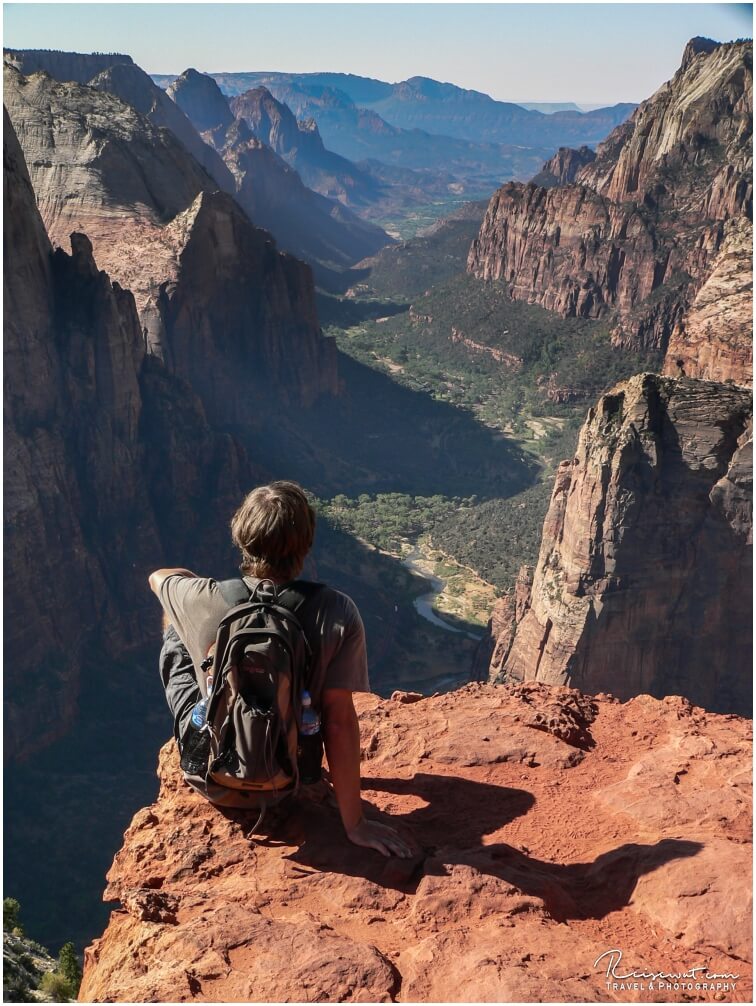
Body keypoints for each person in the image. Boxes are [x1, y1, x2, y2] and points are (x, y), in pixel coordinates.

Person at [149, 480, 413, 858]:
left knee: (176, 625)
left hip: (208, 773)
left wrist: (189, 585)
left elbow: (158, 579)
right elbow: (339, 721)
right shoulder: (338, 611)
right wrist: (355, 824)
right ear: (306, 543)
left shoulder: (205, 597)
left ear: (241, 536)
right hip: (289, 780)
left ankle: (211, 707)